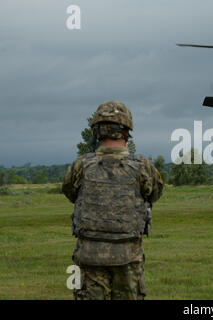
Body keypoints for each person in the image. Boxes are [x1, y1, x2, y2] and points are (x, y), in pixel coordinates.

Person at [62, 100, 163, 300]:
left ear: (97, 131)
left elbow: (70, 193)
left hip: (88, 257)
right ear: (126, 131)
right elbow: (155, 194)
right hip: (128, 258)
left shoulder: (81, 165)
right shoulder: (143, 166)